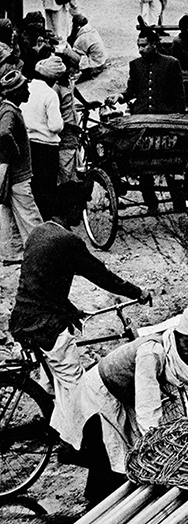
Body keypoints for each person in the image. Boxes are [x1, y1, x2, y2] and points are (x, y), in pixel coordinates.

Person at [61, 306, 188, 507]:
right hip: (101, 395)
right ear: (177, 335)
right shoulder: (152, 352)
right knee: (110, 457)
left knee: (117, 457)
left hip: (126, 396)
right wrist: (159, 449)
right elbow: (148, 408)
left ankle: (99, 494)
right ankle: (95, 507)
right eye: (187, 344)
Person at [7, 182, 146, 437]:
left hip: (23, 318)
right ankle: (74, 441)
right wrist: (137, 292)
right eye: (79, 207)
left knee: (53, 378)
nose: (81, 212)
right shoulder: (67, 240)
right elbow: (102, 276)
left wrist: (69, 308)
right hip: (46, 325)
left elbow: (41, 283)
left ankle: (52, 419)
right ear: (69, 207)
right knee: (76, 386)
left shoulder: (38, 232)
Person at [0, 69, 43, 263]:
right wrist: (15, 154)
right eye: (25, 87)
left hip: (12, 174)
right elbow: (3, 134)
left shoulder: (5, 108)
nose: (28, 90)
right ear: (16, 92)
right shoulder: (10, 111)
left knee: (13, 217)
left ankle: (15, 253)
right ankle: (45, 253)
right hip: (18, 176)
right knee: (30, 216)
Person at [21, 59, 63, 218]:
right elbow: (55, 126)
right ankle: (47, 221)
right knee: (47, 187)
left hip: (29, 144)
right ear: (53, 78)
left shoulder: (26, 88)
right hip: (47, 147)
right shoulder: (50, 94)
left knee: (34, 186)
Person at [122, 29, 185, 115]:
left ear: (154, 44)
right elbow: (132, 90)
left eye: (144, 46)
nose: (140, 50)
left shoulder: (171, 63)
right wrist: (120, 96)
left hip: (164, 116)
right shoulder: (135, 64)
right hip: (140, 115)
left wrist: (179, 115)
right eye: (138, 46)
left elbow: (179, 94)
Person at [65, 13, 107, 81]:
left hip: (94, 67)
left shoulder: (83, 37)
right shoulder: (91, 30)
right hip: (101, 62)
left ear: (77, 26)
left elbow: (75, 51)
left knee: (66, 52)